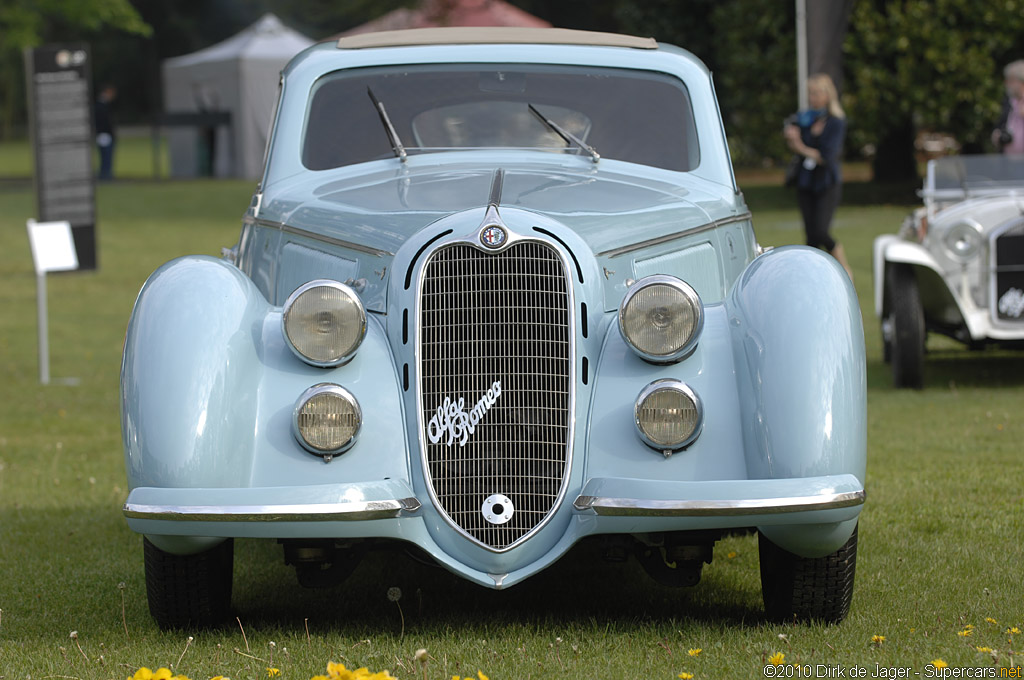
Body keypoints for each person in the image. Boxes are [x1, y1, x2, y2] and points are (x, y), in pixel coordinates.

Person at [783, 73, 853, 280]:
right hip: (806, 182)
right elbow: (795, 137)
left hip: (826, 182)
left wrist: (800, 146)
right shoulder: (807, 118)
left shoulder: (836, 122)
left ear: (827, 95)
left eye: (815, 93)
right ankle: (813, 277)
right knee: (811, 236)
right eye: (809, 94)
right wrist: (791, 137)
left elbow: (827, 156)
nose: (812, 98)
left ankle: (844, 267)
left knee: (822, 230)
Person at [992, 60, 1024, 154]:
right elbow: (1000, 125)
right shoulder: (1008, 103)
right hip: (1009, 162)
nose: (1007, 84)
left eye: (1011, 80)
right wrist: (997, 135)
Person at [95, 84, 117, 180]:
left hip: (104, 135)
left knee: (106, 157)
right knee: (106, 157)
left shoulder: (104, 105)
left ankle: (105, 175)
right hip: (104, 135)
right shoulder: (100, 106)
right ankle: (105, 176)